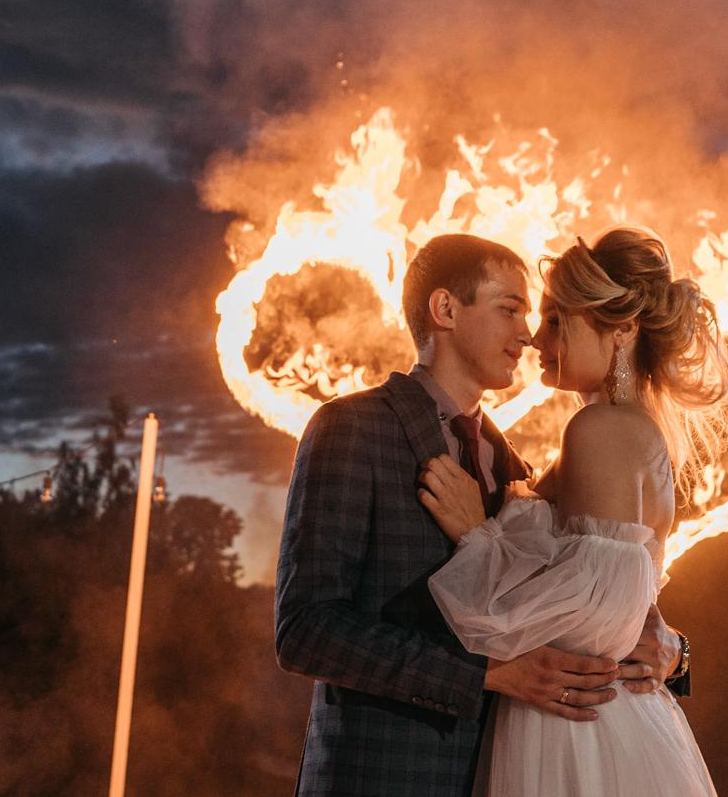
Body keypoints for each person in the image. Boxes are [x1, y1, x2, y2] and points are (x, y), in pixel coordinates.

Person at [274, 233, 684, 796]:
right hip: (385, 779)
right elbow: (305, 631)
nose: (529, 334)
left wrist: (673, 649)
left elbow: (583, 605)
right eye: (510, 310)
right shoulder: (353, 429)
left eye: (540, 316)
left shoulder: (515, 466)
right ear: (445, 309)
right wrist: (488, 674)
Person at [420, 227, 728, 796]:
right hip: (592, 714)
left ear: (622, 331)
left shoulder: (600, 429)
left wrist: (476, 535)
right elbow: (611, 599)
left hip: (575, 724)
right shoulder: (621, 430)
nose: (537, 339)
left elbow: (585, 619)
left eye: (557, 320)